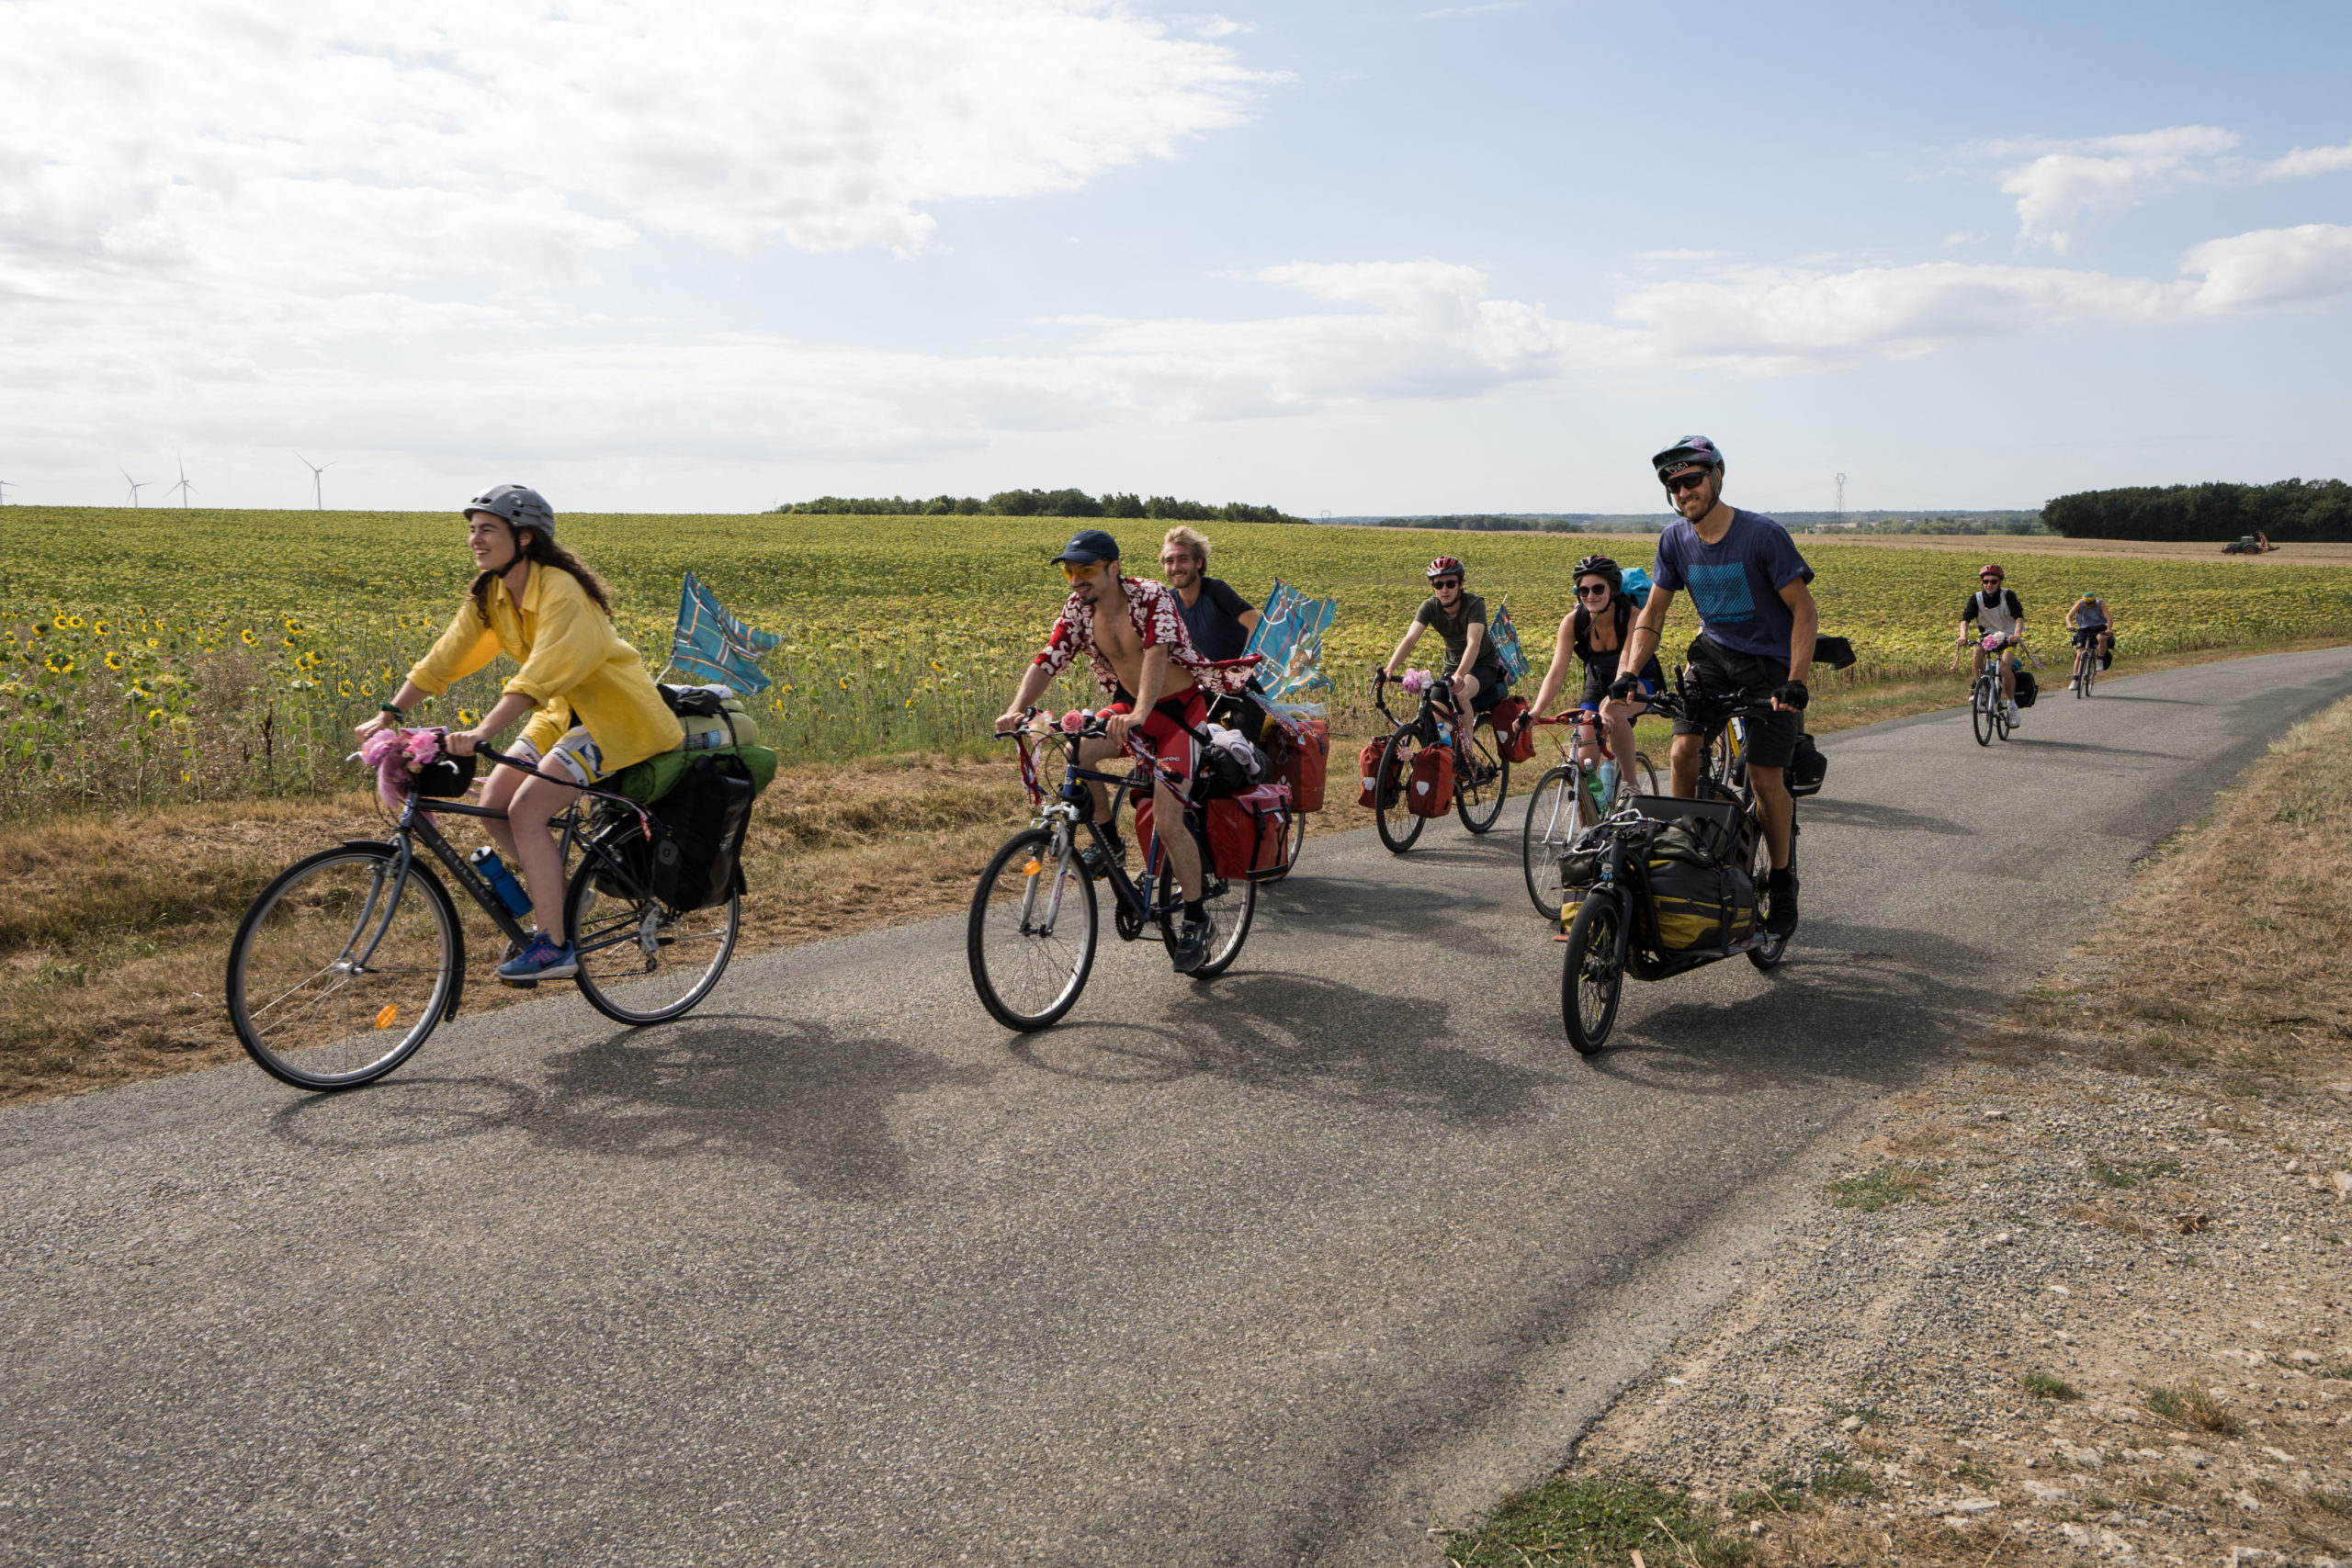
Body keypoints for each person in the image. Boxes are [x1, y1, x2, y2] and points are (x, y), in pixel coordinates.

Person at [358, 485, 684, 983]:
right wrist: (390, 711)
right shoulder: (492, 594)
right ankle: (567, 890)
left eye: (487, 529)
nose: (475, 539)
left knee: (527, 811)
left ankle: (556, 946)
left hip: (616, 720)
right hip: (562, 713)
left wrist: (484, 730)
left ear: (525, 537)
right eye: (472, 529)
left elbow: (542, 673)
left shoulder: (563, 593)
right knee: (494, 801)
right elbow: (448, 655)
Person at [994, 528, 1252, 975]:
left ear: (1114, 568)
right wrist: (1017, 710)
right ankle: (1109, 840)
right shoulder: (1078, 609)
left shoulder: (1151, 596)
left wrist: (1139, 714)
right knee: (1079, 753)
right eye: (1070, 572)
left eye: (1086, 570)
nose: (1076, 580)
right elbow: (1049, 657)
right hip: (1131, 707)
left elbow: (1156, 655)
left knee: (1168, 819)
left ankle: (1196, 917)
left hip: (1177, 713)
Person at [1611, 435, 1816, 938]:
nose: (1684, 492)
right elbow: (1654, 613)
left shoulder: (1762, 535)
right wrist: (1630, 673)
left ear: (1717, 477)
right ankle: (1686, 859)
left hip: (1769, 666)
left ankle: (1784, 879)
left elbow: (1804, 611)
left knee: (1767, 779)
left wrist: (1795, 682)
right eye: (1674, 485)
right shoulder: (1674, 540)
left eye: (1692, 481)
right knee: (1683, 752)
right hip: (1713, 658)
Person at [1523, 554, 1664, 809]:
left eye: (1598, 588)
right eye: (1583, 590)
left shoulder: (1632, 615)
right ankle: (1587, 832)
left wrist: (1609, 705)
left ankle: (1631, 785)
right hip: (1597, 683)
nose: (1590, 595)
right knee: (1583, 769)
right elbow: (1556, 673)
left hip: (1637, 679)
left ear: (1614, 589)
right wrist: (1535, 711)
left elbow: (1625, 664)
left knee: (1616, 710)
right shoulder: (1572, 621)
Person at [1159, 525, 1269, 739]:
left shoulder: (1215, 591)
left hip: (1244, 690)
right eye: (1169, 561)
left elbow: (1257, 624)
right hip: (1206, 690)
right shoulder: (1168, 601)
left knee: (1238, 753)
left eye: (1183, 559)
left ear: (1198, 563)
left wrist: (1240, 672)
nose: (1175, 567)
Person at [1382, 556, 1511, 719]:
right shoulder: (1429, 606)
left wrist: (1460, 674)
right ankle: (1442, 744)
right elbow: (1409, 639)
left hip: (1482, 664)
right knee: (1434, 712)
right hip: (1451, 666)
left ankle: (1467, 745)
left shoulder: (1475, 604)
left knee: (1460, 695)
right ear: (1433, 587)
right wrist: (1390, 668)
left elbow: (1473, 644)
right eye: (1438, 584)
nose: (1444, 589)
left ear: (1461, 584)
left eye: (1450, 584)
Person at [1958, 563, 2026, 726]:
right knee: (1977, 653)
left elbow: (2018, 617)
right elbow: (1965, 619)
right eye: (1986, 581)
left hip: (2008, 636)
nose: (1989, 584)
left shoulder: (2008, 596)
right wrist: (1963, 636)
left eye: (1993, 581)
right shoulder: (1976, 598)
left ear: (2000, 582)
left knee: (2004, 668)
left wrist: (2017, 634)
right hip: (1988, 636)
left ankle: (2011, 705)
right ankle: (1980, 689)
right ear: (1982, 582)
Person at [2066, 591, 2115, 685]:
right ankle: (2075, 679)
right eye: (2086, 603)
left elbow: (2109, 618)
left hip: (2098, 627)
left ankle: (2100, 659)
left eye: (2091, 603)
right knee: (2079, 653)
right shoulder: (2080, 603)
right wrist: (2070, 625)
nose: (2088, 605)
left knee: (2102, 638)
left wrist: (2109, 629)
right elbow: (2069, 616)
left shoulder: (2100, 603)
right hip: (2084, 629)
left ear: (2094, 601)